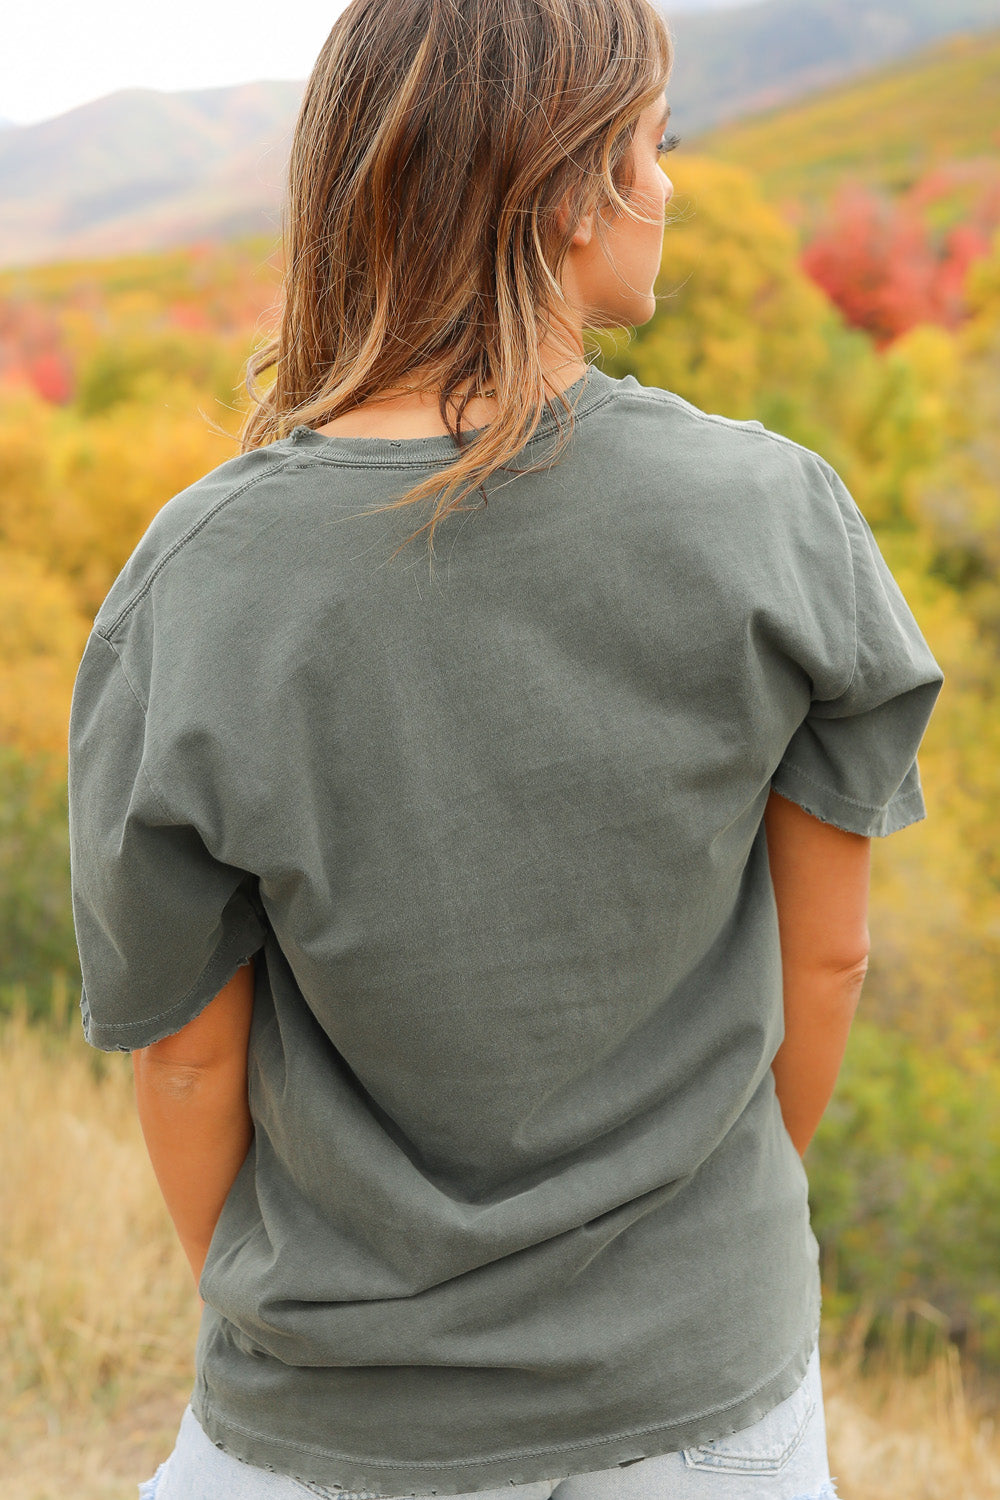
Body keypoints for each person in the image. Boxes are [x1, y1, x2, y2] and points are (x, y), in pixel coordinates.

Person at [66, 2, 944, 1498]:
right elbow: (830, 962)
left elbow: (189, 1058)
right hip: (711, 1398)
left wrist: (322, 1332)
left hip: (331, 1424)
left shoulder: (199, 577)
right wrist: (699, 1251)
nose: (669, 185)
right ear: (563, 186)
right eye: (648, 146)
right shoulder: (773, 514)